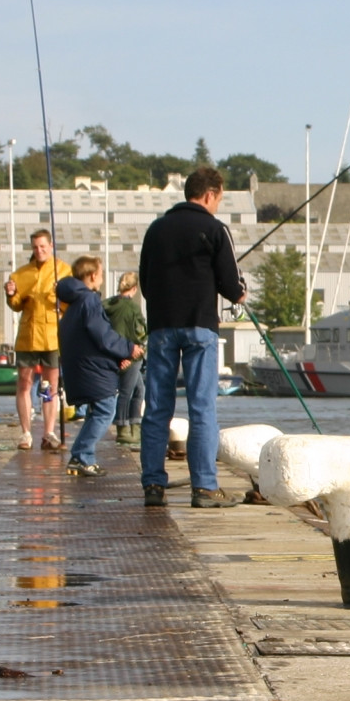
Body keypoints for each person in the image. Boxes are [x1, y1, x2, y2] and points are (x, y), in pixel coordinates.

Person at [139, 166, 244, 507]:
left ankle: (153, 486)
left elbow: (144, 281)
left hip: (161, 326)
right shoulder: (215, 229)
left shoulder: (156, 230)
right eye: (219, 199)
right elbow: (232, 286)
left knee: (157, 408)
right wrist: (241, 293)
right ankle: (204, 488)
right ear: (210, 195)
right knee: (201, 408)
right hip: (200, 327)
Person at [54, 256, 142, 477]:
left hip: (84, 366)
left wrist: (115, 358)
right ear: (93, 275)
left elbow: (90, 339)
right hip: (92, 369)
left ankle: (82, 456)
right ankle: (82, 456)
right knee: (105, 410)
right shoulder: (89, 301)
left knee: (98, 411)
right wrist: (128, 348)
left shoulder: (74, 303)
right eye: (101, 274)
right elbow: (103, 336)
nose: (102, 279)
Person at [4, 229, 71, 451]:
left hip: (53, 337)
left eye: (43, 246)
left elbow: (71, 305)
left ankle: (48, 432)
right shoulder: (21, 274)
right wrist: (11, 293)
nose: (39, 251)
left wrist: (62, 296)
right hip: (28, 336)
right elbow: (16, 305)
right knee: (24, 383)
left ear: (51, 246)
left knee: (49, 386)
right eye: (35, 247)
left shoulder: (64, 271)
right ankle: (26, 433)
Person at [104, 272, 147, 446]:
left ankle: (135, 427)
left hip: (113, 353)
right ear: (135, 288)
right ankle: (123, 429)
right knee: (126, 393)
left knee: (139, 390)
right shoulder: (132, 308)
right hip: (132, 355)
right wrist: (136, 353)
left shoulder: (107, 305)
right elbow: (140, 332)